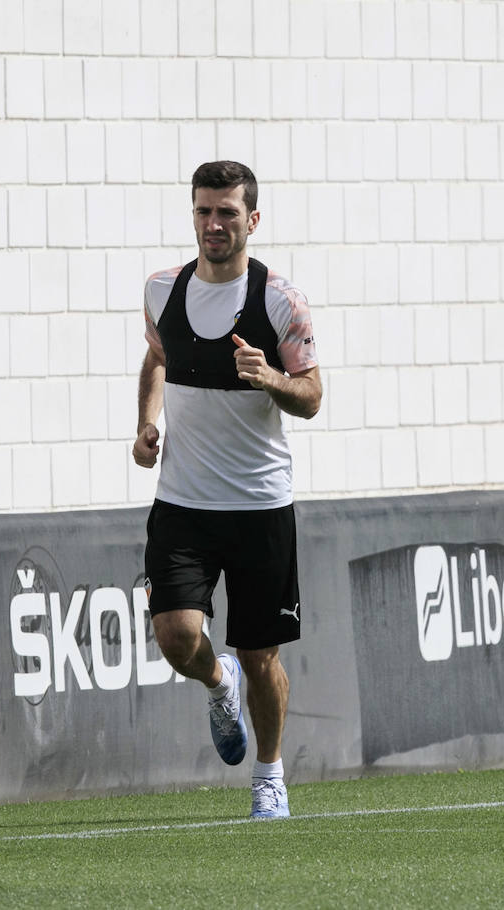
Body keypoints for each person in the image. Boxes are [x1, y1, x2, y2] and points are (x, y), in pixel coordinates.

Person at [132, 161, 321, 819]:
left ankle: (269, 776)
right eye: (203, 212)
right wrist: (145, 426)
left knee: (261, 654)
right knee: (178, 638)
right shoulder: (162, 289)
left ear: (253, 221)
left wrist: (270, 377)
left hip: (259, 506)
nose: (214, 225)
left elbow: (313, 397)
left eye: (227, 214)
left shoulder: (280, 302)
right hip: (182, 503)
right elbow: (157, 360)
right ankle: (218, 684)